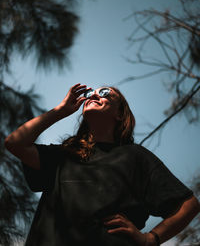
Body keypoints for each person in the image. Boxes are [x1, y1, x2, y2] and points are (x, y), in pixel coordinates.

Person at [5, 83, 200, 246]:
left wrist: (151, 238)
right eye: (90, 93)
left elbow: (188, 205)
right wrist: (60, 111)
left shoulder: (135, 157)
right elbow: (15, 143)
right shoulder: (63, 155)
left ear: (120, 114)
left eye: (105, 93)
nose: (94, 95)